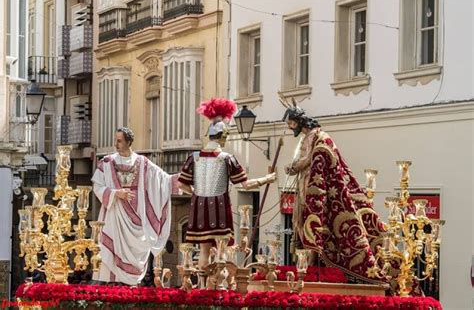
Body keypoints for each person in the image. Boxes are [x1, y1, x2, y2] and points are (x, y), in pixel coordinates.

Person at [282, 104, 387, 285]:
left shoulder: (321, 137)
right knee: (299, 224)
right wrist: (295, 167)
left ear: (299, 121)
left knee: (312, 226)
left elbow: (316, 157)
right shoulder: (307, 137)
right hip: (303, 187)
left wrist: (297, 166)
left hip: (317, 191)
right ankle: (305, 265)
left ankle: (311, 266)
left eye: (291, 123)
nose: (290, 128)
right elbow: (304, 160)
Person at [178, 98, 276, 270]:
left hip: (199, 206)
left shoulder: (193, 157)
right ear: (222, 136)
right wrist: (267, 179)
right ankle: (220, 285)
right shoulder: (226, 159)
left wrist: (196, 192)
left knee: (204, 251)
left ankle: (202, 286)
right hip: (219, 206)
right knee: (222, 248)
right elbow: (245, 185)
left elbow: (182, 185)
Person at [92, 127, 173, 285]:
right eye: (115, 140)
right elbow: (97, 187)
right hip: (113, 216)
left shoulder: (142, 163)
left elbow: (161, 179)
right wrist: (115, 193)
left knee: (136, 251)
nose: (116, 143)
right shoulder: (107, 162)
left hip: (137, 217)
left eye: (120, 141)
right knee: (109, 255)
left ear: (129, 142)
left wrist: (180, 181)